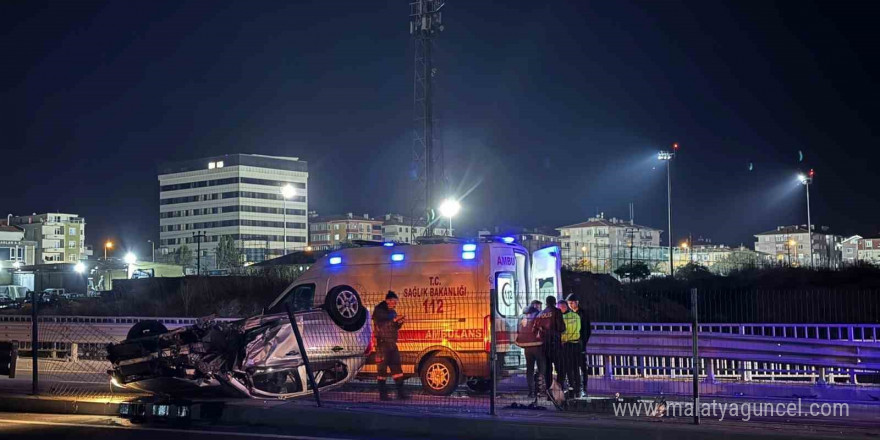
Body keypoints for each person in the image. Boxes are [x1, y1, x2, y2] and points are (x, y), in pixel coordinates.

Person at [373, 291, 408, 400]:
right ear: (388, 300)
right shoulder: (379, 311)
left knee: (397, 370)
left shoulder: (392, 312)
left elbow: (393, 327)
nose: (395, 304)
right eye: (394, 301)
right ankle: (383, 395)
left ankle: (401, 393)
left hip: (392, 344)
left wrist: (399, 323)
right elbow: (383, 326)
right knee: (382, 372)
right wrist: (394, 320)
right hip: (382, 345)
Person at [514, 299, 546, 399]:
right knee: (541, 369)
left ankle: (531, 392)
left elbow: (518, 331)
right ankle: (540, 391)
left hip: (526, 347)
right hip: (538, 346)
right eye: (538, 306)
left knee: (530, 370)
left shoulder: (522, 316)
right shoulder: (539, 316)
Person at [535, 295, 565, 391]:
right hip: (555, 344)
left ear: (546, 303)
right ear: (554, 302)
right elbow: (561, 328)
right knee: (560, 368)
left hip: (544, 345)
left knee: (548, 370)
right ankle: (559, 389)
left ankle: (549, 391)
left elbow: (535, 330)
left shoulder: (540, 314)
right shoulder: (557, 312)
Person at [567, 293, 591, 397]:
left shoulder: (583, 314)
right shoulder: (568, 313)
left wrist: (583, 342)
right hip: (570, 344)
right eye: (569, 303)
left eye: (572, 302)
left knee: (582, 367)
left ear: (577, 302)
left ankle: (584, 388)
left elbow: (587, 330)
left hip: (580, 344)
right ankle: (574, 388)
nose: (570, 305)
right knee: (572, 367)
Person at [558, 300, 582, 398]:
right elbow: (579, 328)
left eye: (558, 308)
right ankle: (578, 390)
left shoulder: (562, 318)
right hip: (576, 344)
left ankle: (570, 389)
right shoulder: (576, 316)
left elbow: (563, 332)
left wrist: (562, 340)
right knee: (576, 368)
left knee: (567, 368)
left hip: (566, 345)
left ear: (562, 307)